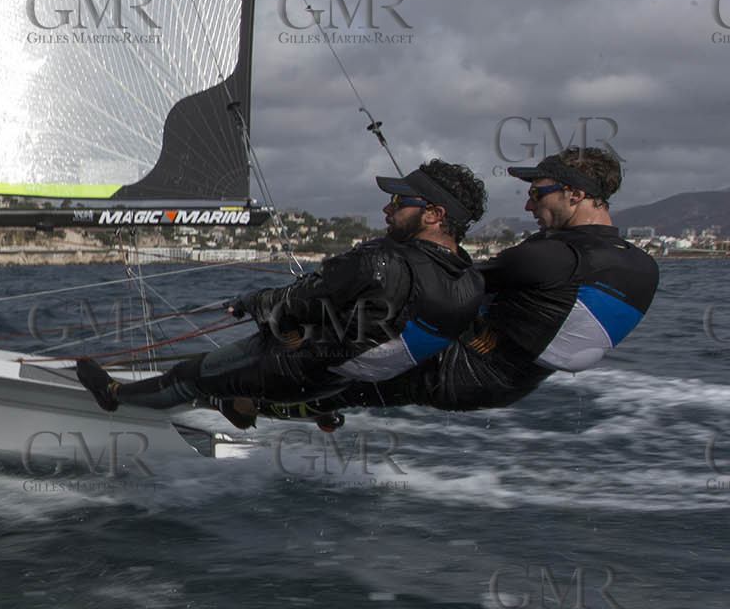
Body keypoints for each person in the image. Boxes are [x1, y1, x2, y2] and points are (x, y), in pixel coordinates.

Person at [76, 160, 487, 424]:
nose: (387, 209)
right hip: (337, 381)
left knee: (190, 377)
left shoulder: (382, 263)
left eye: (398, 201)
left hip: (294, 367)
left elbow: (294, 304)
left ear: (434, 214)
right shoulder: (469, 283)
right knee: (280, 361)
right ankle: (249, 404)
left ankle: (113, 395)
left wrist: (253, 303)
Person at [283, 146, 657, 417]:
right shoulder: (641, 264)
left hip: (461, 370)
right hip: (512, 385)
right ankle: (311, 404)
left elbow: (444, 287)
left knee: (311, 363)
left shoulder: (553, 256)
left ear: (575, 195)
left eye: (536, 194)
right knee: (347, 379)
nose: (529, 207)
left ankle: (242, 400)